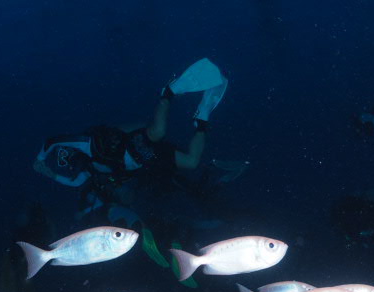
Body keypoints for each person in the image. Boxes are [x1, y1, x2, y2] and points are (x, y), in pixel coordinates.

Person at [33, 58, 229, 223]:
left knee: (158, 132)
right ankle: (202, 120)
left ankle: (168, 93)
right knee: (191, 162)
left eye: (70, 160)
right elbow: (74, 183)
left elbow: (53, 140)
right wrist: (48, 173)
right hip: (142, 158)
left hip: (128, 141)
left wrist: (40, 160)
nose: (73, 165)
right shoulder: (89, 171)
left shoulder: (87, 144)